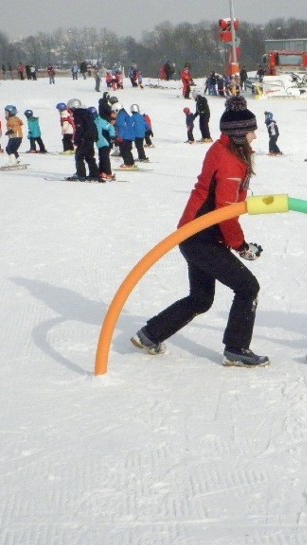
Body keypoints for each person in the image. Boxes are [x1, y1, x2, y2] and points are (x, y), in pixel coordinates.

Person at [131, 96, 268, 367]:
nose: (255, 135)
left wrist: (237, 242)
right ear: (239, 134)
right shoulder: (230, 162)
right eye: (251, 131)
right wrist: (241, 247)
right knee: (247, 287)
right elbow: (225, 212)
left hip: (197, 234)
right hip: (201, 237)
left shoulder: (226, 151)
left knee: (201, 298)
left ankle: (150, 335)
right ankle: (237, 348)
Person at [67, 98, 100, 181]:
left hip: (85, 138)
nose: (70, 111)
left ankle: (80, 174)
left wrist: (77, 140)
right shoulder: (87, 113)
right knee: (89, 156)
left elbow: (79, 128)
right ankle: (94, 174)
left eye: (70, 109)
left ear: (73, 108)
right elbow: (93, 126)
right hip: (90, 138)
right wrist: (95, 136)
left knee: (79, 156)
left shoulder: (78, 114)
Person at [93, 106, 116, 181]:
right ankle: (102, 172)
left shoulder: (100, 121)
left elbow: (111, 127)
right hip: (100, 144)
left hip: (105, 143)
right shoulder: (93, 121)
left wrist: (112, 135)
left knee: (105, 158)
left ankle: (108, 173)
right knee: (101, 158)